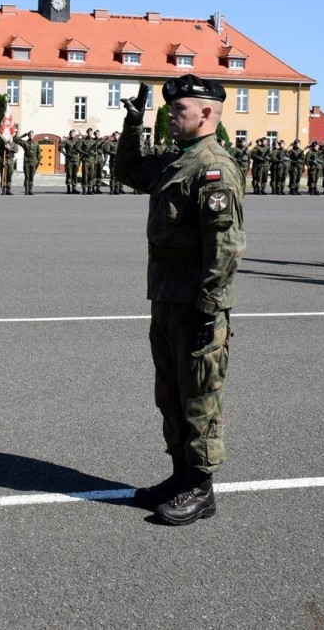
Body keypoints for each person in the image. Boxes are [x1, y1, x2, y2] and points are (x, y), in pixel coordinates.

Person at [114, 75, 246, 526]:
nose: (171, 114)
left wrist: (210, 307)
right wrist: (134, 124)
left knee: (200, 396)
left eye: (180, 109)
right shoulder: (178, 161)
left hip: (196, 303)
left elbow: (225, 247)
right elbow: (129, 172)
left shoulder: (214, 168)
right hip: (167, 297)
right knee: (170, 391)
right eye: (169, 109)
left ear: (207, 114)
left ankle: (201, 488)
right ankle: (179, 475)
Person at [14, 130, 41, 195]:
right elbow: (15, 140)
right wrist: (24, 135)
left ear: (33, 135)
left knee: (31, 177)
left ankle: (30, 190)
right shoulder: (25, 143)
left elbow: (39, 153)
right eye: (29, 134)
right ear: (28, 136)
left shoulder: (36, 143)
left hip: (33, 162)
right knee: (27, 177)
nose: (30, 135)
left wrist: (38, 162)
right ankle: (26, 190)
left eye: (31, 134)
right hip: (27, 162)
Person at [62, 129, 81, 194]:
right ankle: (68, 189)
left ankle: (74, 189)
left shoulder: (77, 141)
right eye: (71, 133)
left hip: (76, 160)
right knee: (69, 174)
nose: (72, 134)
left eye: (73, 133)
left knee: (75, 174)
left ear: (75, 134)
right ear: (69, 134)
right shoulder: (66, 141)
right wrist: (65, 153)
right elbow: (60, 147)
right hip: (69, 160)